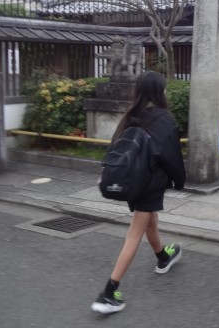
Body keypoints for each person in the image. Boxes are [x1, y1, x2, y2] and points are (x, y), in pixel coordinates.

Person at [91, 71, 186, 314]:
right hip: (149, 183)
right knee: (135, 233)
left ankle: (163, 257)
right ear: (159, 91)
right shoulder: (163, 119)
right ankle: (109, 292)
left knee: (150, 221)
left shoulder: (131, 115)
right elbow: (172, 156)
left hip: (131, 181)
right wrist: (179, 180)